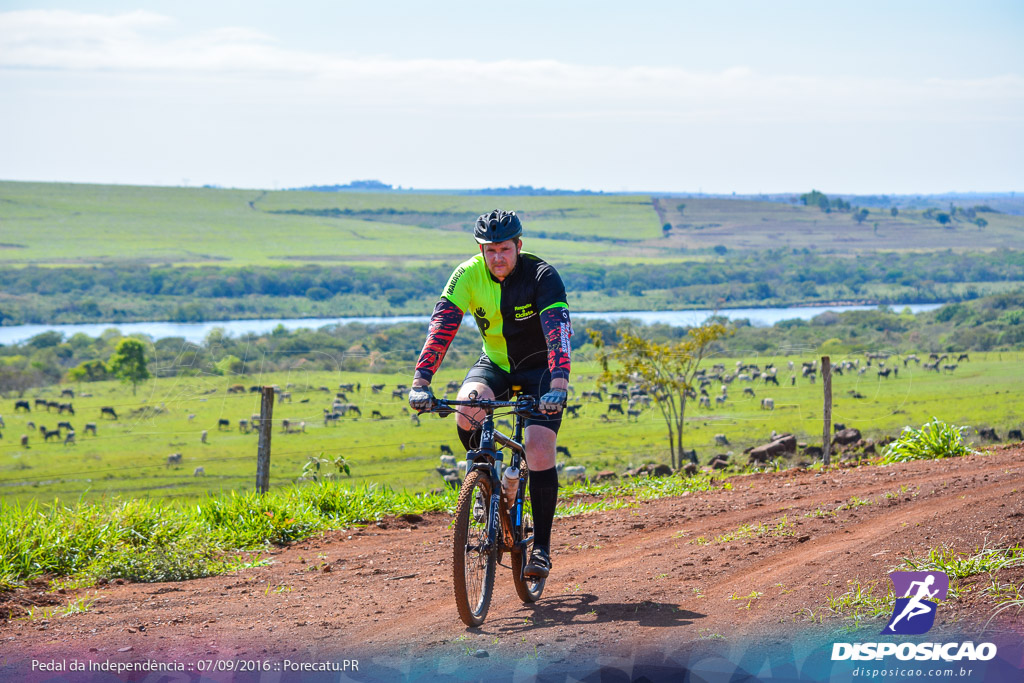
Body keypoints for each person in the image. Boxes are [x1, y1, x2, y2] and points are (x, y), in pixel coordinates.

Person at [409, 209, 572, 579]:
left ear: (518, 246)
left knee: (539, 447)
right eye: (489, 250)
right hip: (496, 363)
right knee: (467, 407)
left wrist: (559, 385)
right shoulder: (466, 274)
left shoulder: (542, 275)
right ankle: (486, 482)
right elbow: (442, 326)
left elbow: (557, 334)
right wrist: (421, 381)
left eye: (503, 249)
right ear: (480, 250)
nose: (497, 258)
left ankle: (542, 549)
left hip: (541, 370)